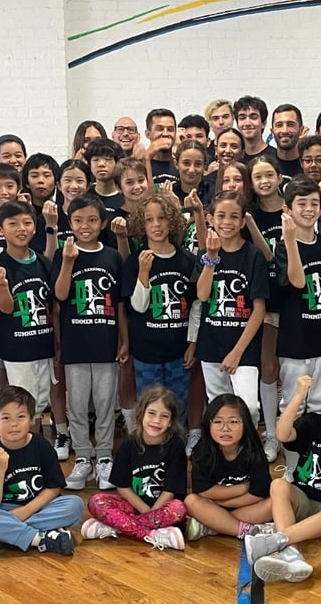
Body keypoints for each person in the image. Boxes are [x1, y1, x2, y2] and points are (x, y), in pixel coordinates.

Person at [243, 373, 321, 583]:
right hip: (303, 500)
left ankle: (277, 541)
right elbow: (282, 435)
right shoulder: (312, 422)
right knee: (278, 485)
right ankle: (291, 552)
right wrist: (298, 396)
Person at [53, 195, 127, 491]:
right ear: (70, 223)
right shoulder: (63, 254)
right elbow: (59, 296)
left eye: (92, 220)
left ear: (103, 223)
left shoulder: (111, 256)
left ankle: (105, 457)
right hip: (76, 344)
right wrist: (69, 261)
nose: (85, 226)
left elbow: (121, 304)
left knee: (106, 403)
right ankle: (83, 456)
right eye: (78, 220)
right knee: (79, 405)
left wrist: (124, 340)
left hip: (106, 343)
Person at [0, 385, 83, 556]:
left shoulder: (41, 445)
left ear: (32, 419)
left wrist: (26, 511)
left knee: (75, 505)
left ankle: (2, 534)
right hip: (4, 508)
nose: (14, 424)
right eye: (5, 418)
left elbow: (54, 488)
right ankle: (40, 538)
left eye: (21, 416)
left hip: (39, 506)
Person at [273, 178, 321, 453]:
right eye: (301, 204)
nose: (308, 209)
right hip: (296, 342)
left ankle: (319, 462)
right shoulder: (283, 247)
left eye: (314, 203)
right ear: (288, 209)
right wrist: (290, 241)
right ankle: (292, 466)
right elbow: (297, 281)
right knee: (293, 403)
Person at [81, 386, 188, 550]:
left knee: (179, 508)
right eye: (151, 413)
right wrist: (145, 512)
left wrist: (152, 513)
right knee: (97, 501)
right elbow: (122, 487)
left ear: (171, 422)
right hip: (134, 507)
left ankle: (117, 527)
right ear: (141, 414)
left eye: (164, 416)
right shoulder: (129, 443)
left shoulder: (176, 445)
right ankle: (153, 535)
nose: (157, 421)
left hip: (162, 509)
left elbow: (170, 491)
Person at [194, 191, 268, 425]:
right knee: (217, 409)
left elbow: (259, 309)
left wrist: (237, 352)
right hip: (211, 345)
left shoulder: (253, 255)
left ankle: (247, 457)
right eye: (221, 216)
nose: (227, 222)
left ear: (243, 221)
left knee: (248, 409)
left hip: (243, 347)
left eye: (234, 217)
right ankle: (221, 458)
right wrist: (212, 256)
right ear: (210, 219)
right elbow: (202, 295)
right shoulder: (205, 253)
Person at [124, 193, 196, 423]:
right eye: (149, 219)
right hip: (146, 352)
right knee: (149, 407)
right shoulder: (135, 260)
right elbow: (137, 306)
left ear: (172, 221)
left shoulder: (186, 260)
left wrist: (192, 343)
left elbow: (196, 306)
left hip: (178, 350)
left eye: (162, 218)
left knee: (177, 405)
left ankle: (177, 446)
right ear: (141, 224)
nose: (156, 225)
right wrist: (144, 273)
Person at [0, 201, 55, 433]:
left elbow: (52, 304)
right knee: (23, 401)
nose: (21, 228)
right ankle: (25, 448)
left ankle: (34, 444)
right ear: (0, 230)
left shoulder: (43, 262)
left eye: (27, 223)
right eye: (13, 223)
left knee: (41, 401)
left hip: (43, 344)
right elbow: (5, 309)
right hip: (16, 349)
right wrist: (3, 286)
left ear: (35, 227)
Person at [184, 395, 272, 540]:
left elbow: (258, 494)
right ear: (208, 424)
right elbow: (204, 491)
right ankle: (245, 530)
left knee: (274, 503)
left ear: (245, 424)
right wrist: (242, 488)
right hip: (213, 506)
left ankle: (214, 526)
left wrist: (221, 502)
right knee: (191, 501)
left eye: (233, 422)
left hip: (245, 507)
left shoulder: (254, 450)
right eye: (218, 422)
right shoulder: (202, 451)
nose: (225, 429)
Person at [247, 155, 286, 462]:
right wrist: (249, 223)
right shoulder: (249, 216)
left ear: (279, 176)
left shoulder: (293, 208)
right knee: (269, 366)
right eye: (257, 176)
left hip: (295, 299)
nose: (263, 181)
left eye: (268, 174)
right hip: (267, 300)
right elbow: (266, 258)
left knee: (295, 369)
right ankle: (271, 434)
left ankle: (292, 430)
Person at [22, 153, 62, 258]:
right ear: (26, 183)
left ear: (56, 182)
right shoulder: (21, 213)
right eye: (34, 176)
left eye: (47, 175)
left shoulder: (62, 212)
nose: (41, 181)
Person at [145, 108, 179, 188]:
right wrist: (146, 158)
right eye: (160, 129)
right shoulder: (139, 165)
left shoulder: (182, 164)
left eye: (170, 129)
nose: (165, 134)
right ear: (148, 134)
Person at [234, 95, 275, 162]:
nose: (247, 123)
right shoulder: (234, 158)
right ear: (237, 124)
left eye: (253, 117)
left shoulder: (275, 157)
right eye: (242, 118)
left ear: (264, 123)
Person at [270, 104, 304, 180]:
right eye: (279, 125)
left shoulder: (309, 166)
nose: (284, 130)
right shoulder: (265, 165)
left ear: (301, 130)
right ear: (272, 131)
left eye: (290, 124)